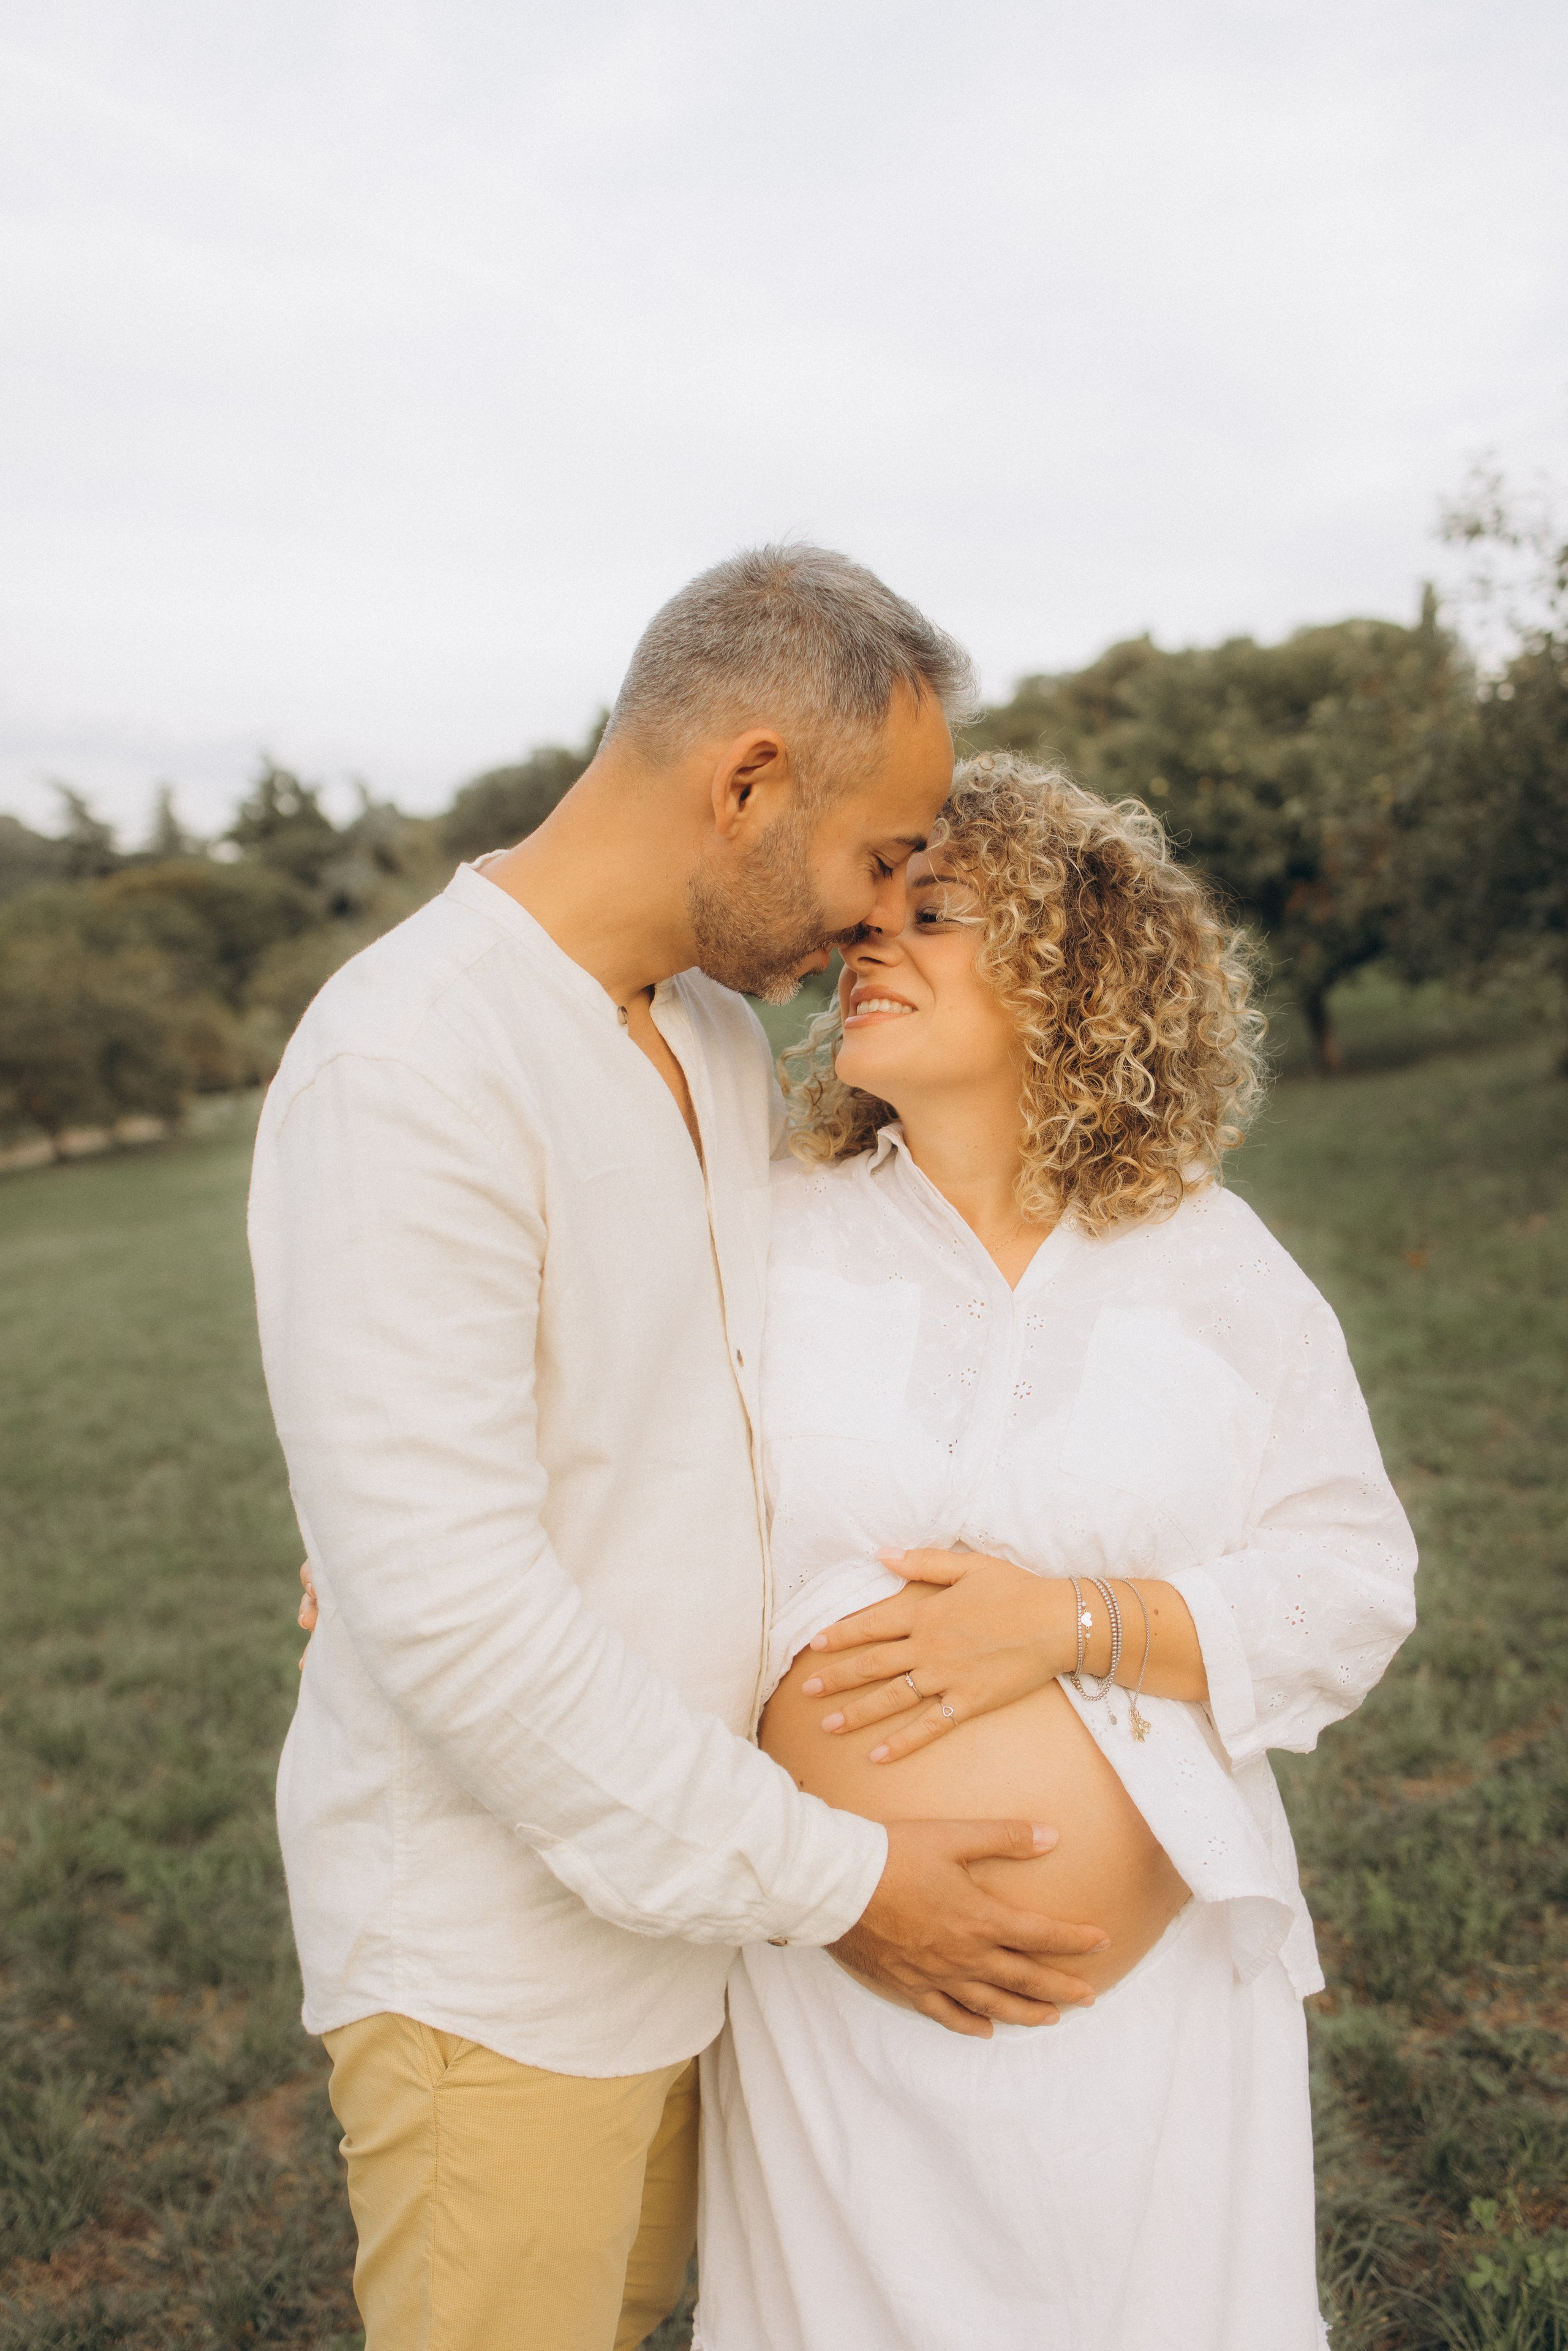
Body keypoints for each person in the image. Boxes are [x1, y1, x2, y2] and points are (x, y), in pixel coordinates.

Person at [253, 552, 1112, 2351]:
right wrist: (850, 1879)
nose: (884, 913)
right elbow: (468, 1620)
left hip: (704, 1943)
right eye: (880, 855)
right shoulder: (409, 1061)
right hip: (502, 1975)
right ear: (744, 783)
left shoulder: (717, 1039)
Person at [693, 754, 1419, 2351]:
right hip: (835, 1993)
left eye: (930, 915)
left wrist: (1076, 1624)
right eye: (862, 923)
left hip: (1149, 2046)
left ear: (1071, 972)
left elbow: (1354, 1578)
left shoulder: (1212, 1265)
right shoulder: (764, 1235)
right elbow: (595, 1454)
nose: (865, 951)